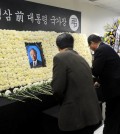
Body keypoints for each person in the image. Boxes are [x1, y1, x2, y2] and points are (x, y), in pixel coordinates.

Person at [51, 33, 102, 134]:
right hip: (91, 113)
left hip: (76, 117)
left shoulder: (59, 57)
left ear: (58, 46)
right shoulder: (81, 58)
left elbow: (57, 89)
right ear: (72, 44)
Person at [88, 34, 120, 134]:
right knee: (116, 113)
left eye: (89, 45)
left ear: (93, 43)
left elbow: (96, 70)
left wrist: (86, 69)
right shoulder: (106, 47)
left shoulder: (100, 50)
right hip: (117, 86)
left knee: (111, 113)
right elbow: (108, 68)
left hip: (113, 89)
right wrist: (99, 81)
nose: (90, 48)